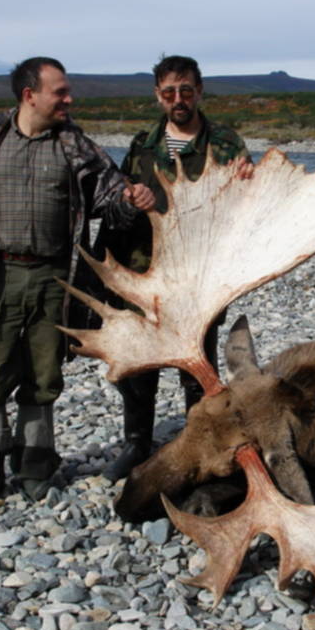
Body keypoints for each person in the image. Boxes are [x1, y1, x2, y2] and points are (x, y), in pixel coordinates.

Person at [0, 56, 154, 509]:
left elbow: (111, 197)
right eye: (61, 92)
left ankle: (34, 466)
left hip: (56, 279)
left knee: (43, 377)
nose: (69, 100)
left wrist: (132, 199)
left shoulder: (74, 144)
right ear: (29, 95)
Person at [94, 54, 254, 482]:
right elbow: (117, 204)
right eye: (169, 93)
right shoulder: (141, 145)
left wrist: (247, 181)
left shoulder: (225, 144)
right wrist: (130, 200)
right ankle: (136, 445)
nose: (178, 100)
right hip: (146, 275)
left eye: (186, 91)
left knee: (196, 366)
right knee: (142, 363)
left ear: (199, 91)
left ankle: (198, 446)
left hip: (199, 277)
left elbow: (246, 209)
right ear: (158, 96)